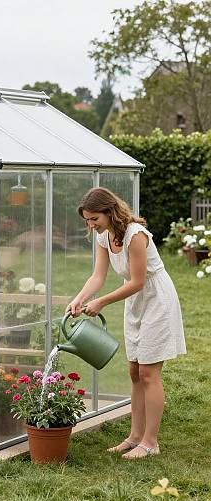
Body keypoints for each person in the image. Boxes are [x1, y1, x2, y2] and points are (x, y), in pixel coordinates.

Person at [67, 187, 186, 459]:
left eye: (94, 218)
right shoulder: (104, 237)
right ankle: (134, 437)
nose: (90, 225)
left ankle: (150, 442)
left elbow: (138, 281)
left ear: (109, 212)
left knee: (148, 373)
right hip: (135, 303)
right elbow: (97, 276)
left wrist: (102, 302)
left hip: (157, 299)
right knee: (134, 371)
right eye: (87, 220)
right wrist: (81, 298)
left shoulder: (135, 235)